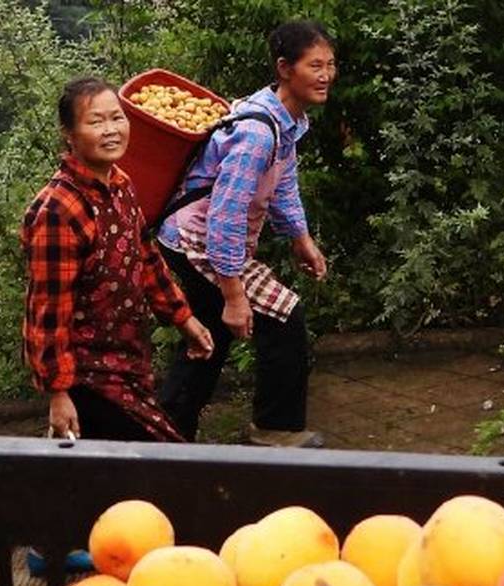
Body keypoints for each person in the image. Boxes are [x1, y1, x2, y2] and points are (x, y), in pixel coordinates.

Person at [156, 20, 336, 448]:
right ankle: (274, 429)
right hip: (198, 238)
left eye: (330, 64)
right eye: (315, 65)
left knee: (209, 335)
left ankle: (165, 434)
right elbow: (226, 216)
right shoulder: (257, 134)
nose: (326, 75)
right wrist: (235, 294)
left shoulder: (285, 119)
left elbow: (283, 182)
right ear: (285, 69)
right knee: (284, 314)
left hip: (195, 235)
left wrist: (300, 238)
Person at [23, 77, 214, 440]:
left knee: (115, 464)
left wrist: (183, 317)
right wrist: (58, 393)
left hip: (129, 362)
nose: (111, 130)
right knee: (157, 456)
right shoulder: (58, 211)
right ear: (69, 134)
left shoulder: (120, 184)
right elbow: (48, 310)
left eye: (117, 118)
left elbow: (145, 257)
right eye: (96, 122)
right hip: (88, 377)